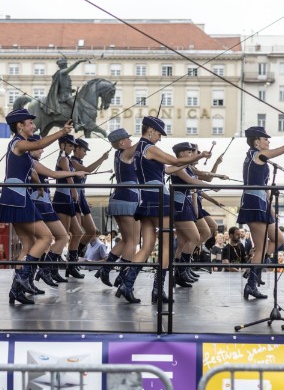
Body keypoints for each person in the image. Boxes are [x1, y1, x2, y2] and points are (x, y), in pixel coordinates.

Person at [114, 116, 210, 304]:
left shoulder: (138, 150)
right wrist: (199, 156)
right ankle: (158, 290)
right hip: (159, 198)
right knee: (166, 245)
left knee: (147, 246)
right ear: (150, 131)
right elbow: (174, 160)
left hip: (145, 199)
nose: (159, 138)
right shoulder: (150, 148)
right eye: (158, 133)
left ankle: (127, 283)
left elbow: (167, 169)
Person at [0, 108, 74, 305]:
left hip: (17, 197)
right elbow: (39, 144)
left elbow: (50, 172)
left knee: (31, 244)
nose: (33, 125)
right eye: (30, 123)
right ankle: (23, 277)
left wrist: (77, 175)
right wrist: (62, 132)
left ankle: (16, 288)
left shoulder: (23, 151)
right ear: (19, 126)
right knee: (46, 237)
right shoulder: (18, 143)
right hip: (17, 197)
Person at [236, 125, 284, 300]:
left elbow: (264, 184)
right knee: (260, 247)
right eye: (265, 139)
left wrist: (271, 207)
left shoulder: (259, 157)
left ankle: (255, 269)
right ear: (257, 142)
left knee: (279, 239)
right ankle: (251, 282)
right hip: (254, 202)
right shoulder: (257, 154)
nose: (268, 141)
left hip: (261, 202)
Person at [27, 134, 88, 288]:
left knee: (71, 234)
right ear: (63, 145)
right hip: (53, 200)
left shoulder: (34, 161)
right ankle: (48, 269)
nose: (73, 148)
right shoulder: (61, 158)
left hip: (48, 201)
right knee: (60, 236)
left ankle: (42, 273)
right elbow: (54, 174)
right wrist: (73, 183)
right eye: (70, 145)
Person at [169, 142, 217, 288]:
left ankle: (180, 272)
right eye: (189, 152)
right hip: (180, 205)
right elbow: (192, 181)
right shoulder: (177, 167)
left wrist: (218, 175)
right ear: (182, 154)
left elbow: (201, 175)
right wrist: (212, 187)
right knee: (195, 237)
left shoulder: (186, 166)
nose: (192, 154)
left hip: (186, 204)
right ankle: (181, 270)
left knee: (184, 241)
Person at [97, 128, 141, 287]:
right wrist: (147, 134)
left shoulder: (118, 155)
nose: (130, 141)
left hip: (118, 197)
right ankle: (123, 276)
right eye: (128, 139)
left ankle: (106, 268)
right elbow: (141, 144)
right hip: (129, 198)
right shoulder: (126, 153)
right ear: (122, 142)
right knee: (134, 240)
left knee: (126, 239)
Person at [68, 138, 110, 277]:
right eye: (84, 150)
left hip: (82, 198)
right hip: (75, 198)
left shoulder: (78, 162)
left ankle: (74, 258)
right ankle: (71, 264)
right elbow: (88, 170)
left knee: (92, 230)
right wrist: (102, 158)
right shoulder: (71, 162)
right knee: (77, 232)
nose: (85, 153)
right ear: (77, 149)